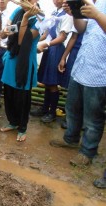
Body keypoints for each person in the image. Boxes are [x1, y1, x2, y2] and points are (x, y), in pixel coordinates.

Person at [50, 0, 106, 189]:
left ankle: (87, 152)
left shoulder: (99, 9)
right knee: (72, 108)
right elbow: (82, 29)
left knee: (93, 118)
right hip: (82, 67)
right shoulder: (98, 3)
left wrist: (97, 15)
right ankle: (70, 139)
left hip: (100, 73)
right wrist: (75, 12)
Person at [0, 0, 41, 141]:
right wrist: (5, 32)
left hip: (25, 61)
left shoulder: (40, 18)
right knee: (9, 92)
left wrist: (25, 18)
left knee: (22, 95)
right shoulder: (17, 11)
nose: (26, 2)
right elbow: (8, 32)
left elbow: (22, 41)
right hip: (12, 57)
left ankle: (22, 127)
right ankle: (12, 122)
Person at [32, 0, 73, 123]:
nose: (56, 0)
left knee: (53, 83)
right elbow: (46, 33)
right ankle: (44, 109)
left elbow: (62, 37)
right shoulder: (54, 13)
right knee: (47, 82)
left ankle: (52, 112)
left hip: (56, 49)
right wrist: (34, 40)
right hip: (49, 49)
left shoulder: (67, 15)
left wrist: (47, 44)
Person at [57, 26, 84, 129]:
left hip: (94, 57)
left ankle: (81, 120)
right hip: (76, 52)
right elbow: (73, 37)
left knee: (87, 89)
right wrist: (64, 58)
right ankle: (70, 119)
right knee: (72, 87)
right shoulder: (83, 15)